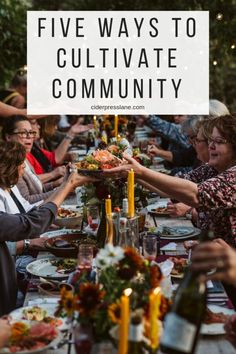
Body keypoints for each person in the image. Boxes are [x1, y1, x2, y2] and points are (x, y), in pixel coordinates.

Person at [105, 114, 236, 246]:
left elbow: (196, 194)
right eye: (211, 140)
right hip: (211, 251)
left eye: (218, 142)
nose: (211, 146)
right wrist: (132, 174)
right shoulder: (212, 169)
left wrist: (141, 171)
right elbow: (171, 190)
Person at [0, 171, 93, 316]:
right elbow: (29, 223)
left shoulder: (9, 187)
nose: (24, 167)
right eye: (20, 164)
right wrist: (67, 185)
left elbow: (30, 215)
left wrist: (63, 187)